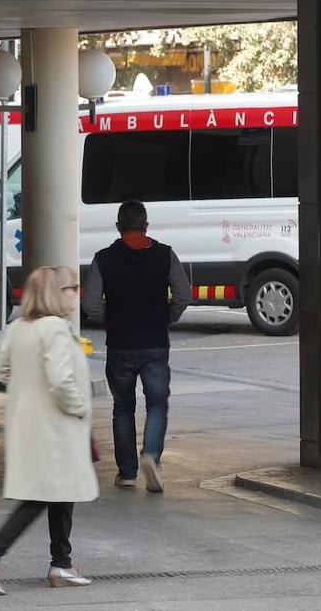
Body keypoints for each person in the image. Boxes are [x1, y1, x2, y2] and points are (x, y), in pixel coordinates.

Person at [0, 267, 98, 595]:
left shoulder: (17, 328)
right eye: (70, 288)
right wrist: (80, 406)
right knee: (42, 494)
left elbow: (5, 371)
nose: (75, 294)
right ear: (55, 292)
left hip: (29, 421)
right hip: (56, 423)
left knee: (59, 492)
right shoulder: (54, 328)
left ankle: (62, 564)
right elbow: (60, 379)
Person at [82, 200, 192, 494]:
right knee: (157, 404)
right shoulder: (165, 255)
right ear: (146, 226)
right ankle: (151, 457)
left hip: (120, 344)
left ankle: (127, 473)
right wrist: (166, 316)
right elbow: (183, 294)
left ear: (118, 227)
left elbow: (91, 303)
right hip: (155, 342)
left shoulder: (103, 259)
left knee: (123, 407)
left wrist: (112, 319)